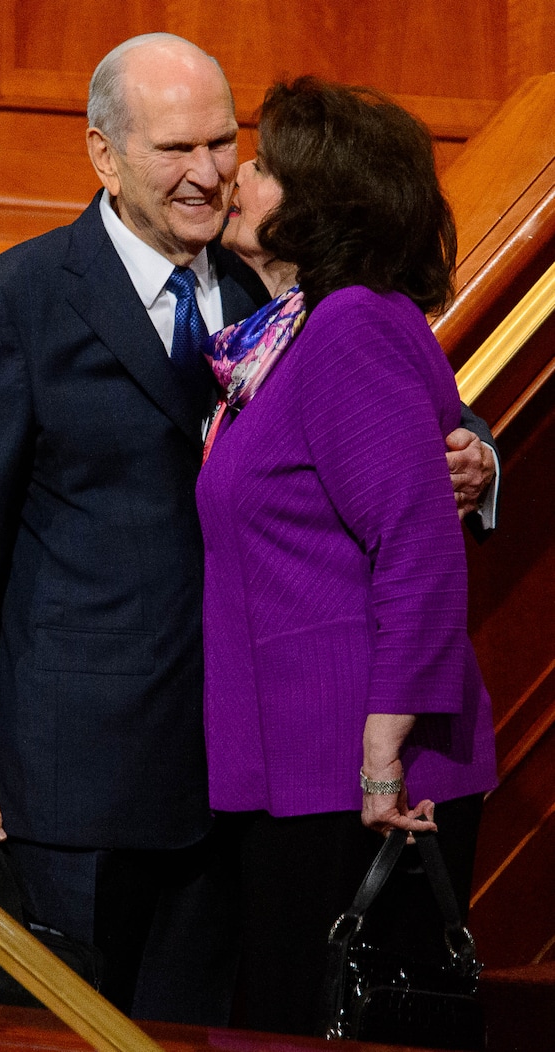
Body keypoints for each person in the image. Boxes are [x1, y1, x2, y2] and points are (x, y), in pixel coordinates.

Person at [0, 33, 496, 1024]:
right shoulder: (18, 300)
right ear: (104, 154)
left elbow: (393, 402)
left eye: (225, 143)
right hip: (86, 767)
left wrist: (471, 453)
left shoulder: (280, 283)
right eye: (176, 149)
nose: (211, 172)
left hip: (250, 775)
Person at [195, 77, 499, 1036]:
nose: (239, 173)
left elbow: (417, 545)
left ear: (318, 203)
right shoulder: (290, 330)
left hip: (354, 774)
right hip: (303, 761)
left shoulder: (348, 326)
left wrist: (381, 756)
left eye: (266, 164)